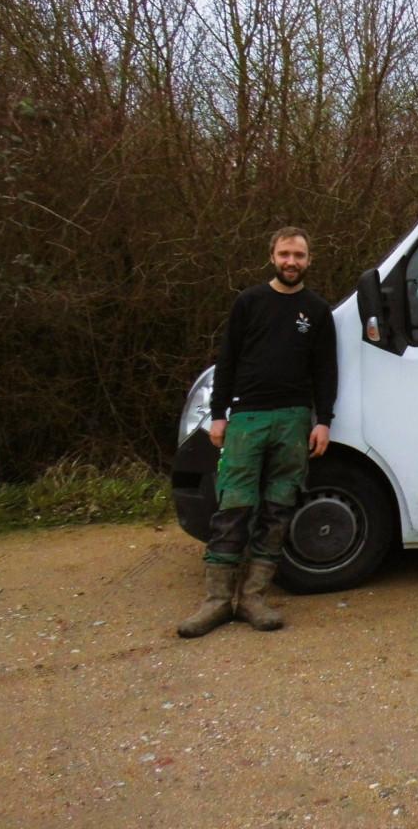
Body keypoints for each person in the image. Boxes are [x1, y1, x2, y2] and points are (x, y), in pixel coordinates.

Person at [178, 227, 337, 638]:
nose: (291, 262)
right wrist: (219, 415)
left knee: (278, 507)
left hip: (295, 419)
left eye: (299, 255)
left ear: (309, 259)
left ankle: (253, 598)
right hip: (246, 418)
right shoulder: (249, 302)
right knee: (234, 505)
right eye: (285, 254)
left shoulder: (317, 311)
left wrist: (323, 420)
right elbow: (227, 360)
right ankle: (215, 602)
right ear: (272, 256)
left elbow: (325, 371)